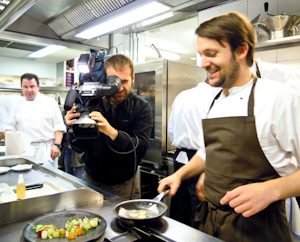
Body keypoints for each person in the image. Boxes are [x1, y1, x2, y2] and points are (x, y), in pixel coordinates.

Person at [158, 12, 300, 242]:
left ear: (241, 50)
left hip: (257, 232)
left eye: (212, 54)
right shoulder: (216, 100)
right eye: (201, 54)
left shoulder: (278, 98)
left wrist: (272, 190)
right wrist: (180, 175)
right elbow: (207, 152)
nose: (203, 63)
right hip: (211, 226)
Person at [65, 54, 153, 200]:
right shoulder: (92, 103)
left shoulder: (141, 107)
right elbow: (79, 148)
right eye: (113, 82)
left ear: (133, 78)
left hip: (125, 184)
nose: (118, 88)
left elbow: (141, 148)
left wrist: (111, 132)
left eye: (124, 82)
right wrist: (72, 129)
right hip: (91, 181)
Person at [167, 81, 218, 228]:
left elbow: (171, 129)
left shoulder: (181, 96)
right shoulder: (214, 97)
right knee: (198, 212)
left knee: (179, 207)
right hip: (200, 160)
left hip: (179, 158)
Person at [5, 73, 66, 167]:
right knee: (25, 177)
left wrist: (57, 146)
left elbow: (59, 126)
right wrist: (9, 136)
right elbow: (10, 125)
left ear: (38, 87)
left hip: (46, 149)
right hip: (23, 149)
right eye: (25, 87)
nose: (29, 90)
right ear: (21, 87)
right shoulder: (16, 105)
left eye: (32, 86)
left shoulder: (50, 103)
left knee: (47, 178)